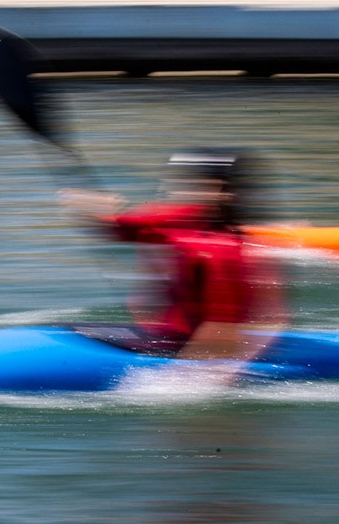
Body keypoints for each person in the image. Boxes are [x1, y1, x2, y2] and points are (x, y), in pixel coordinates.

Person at [61, 150, 287, 369]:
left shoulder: (224, 251)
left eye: (190, 180)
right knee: (64, 331)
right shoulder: (185, 216)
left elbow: (220, 331)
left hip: (190, 349)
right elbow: (121, 228)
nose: (170, 186)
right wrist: (91, 210)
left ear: (218, 190)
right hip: (166, 336)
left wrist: (176, 382)